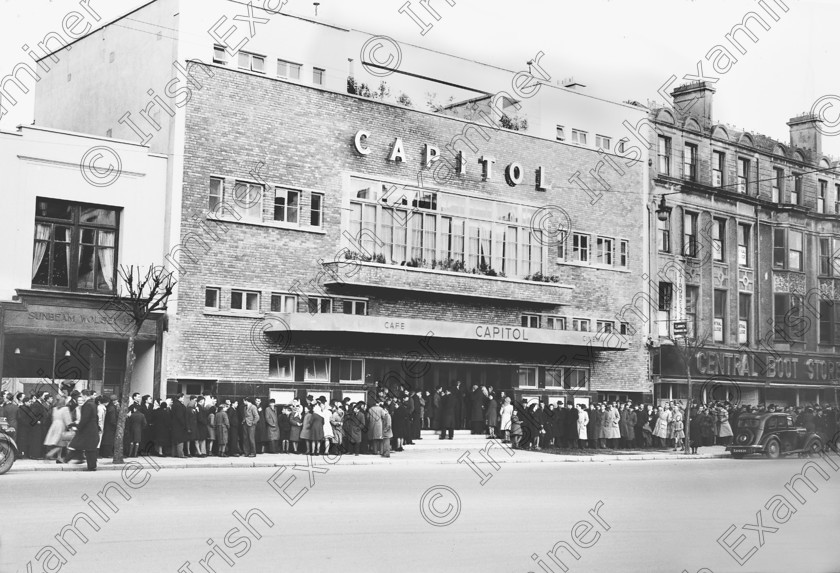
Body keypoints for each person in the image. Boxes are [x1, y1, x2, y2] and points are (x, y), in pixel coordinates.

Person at [69, 391, 100, 471]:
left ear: (85, 395)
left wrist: (79, 427)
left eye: (82, 396)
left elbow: (85, 419)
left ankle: (91, 466)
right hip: (92, 428)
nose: (81, 397)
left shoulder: (87, 405)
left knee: (89, 449)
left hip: (88, 429)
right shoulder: (93, 404)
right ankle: (92, 465)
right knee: (90, 449)